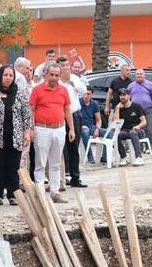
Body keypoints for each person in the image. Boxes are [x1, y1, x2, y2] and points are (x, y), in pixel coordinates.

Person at [29, 63, 74, 203]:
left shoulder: (64, 90)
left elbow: (67, 110)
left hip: (59, 128)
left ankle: (55, 192)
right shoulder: (37, 90)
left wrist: (71, 128)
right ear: (45, 74)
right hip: (42, 128)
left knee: (56, 163)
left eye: (56, 75)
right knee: (40, 162)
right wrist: (30, 129)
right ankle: (40, 192)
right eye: (52, 74)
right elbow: (31, 110)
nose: (54, 78)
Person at [0, 65, 31, 205]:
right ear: (0, 76)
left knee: (14, 165)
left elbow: (26, 114)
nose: (8, 78)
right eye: (5, 75)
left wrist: (27, 132)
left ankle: (13, 194)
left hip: (15, 135)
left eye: (10, 75)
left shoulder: (19, 93)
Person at [58, 56, 87, 188]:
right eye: (63, 66)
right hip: (60, 115)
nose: (66, 68)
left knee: (74, 146)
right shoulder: (55, 81)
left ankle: (76, 177)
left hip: (75, 114)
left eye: (67, 65)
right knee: (61, 147)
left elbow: (83, 91)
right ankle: (63, 176)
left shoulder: (73, 78)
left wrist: (71, 82)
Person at [112, 88, 147, 166]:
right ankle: (124, 157)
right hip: (125, 131)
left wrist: (138, 126)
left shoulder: (136, 106)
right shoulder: (119, 108)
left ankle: (139, 158)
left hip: (138, 131)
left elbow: (144, 122)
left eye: (124, 95)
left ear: (129, 96)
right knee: (116, 135)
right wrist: (117, 109)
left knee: (133, 133)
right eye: (120, 95)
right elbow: (115, 123)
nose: (122, 97)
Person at [127, 68, 152, 140]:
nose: (139, 75)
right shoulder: (131, 85)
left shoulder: (149, 84)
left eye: (141, 74)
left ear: (144, 75)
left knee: (149, 129)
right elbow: (127, 97)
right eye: (137, 74)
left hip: (147, 109)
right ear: (135, 76)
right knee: (136, 129)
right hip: (135, 111)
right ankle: (138, 146)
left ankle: (149, 148)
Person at [79, 86, 104, 163]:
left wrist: (97, 129)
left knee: (109, 133)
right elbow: (74, 118)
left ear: (92, 94)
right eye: (85, 94)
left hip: (91, 126)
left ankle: (104, 158)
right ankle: (90, 157)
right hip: (80, 127)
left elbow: (98, 120)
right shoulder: (78, 102)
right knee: (85, 132)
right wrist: (81, 126)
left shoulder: (94, 103)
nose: (86, 96)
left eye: (88, 94)